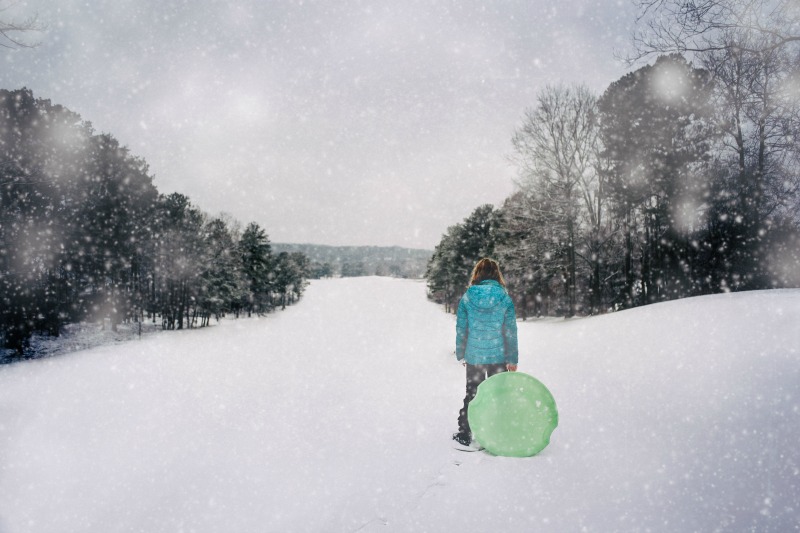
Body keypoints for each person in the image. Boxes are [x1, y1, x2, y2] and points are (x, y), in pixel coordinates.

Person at [453, 258, 518, 449]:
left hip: (475, 356)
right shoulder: (504, 297)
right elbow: (510, 331)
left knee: (473, 394)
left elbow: (462, 329)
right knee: (499, 395)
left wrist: (462, 353)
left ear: (477, 274)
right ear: (497, 274)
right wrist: (512, 359)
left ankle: (465, 433)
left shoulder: (468, 297)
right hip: (499, 356)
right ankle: (499, 432)